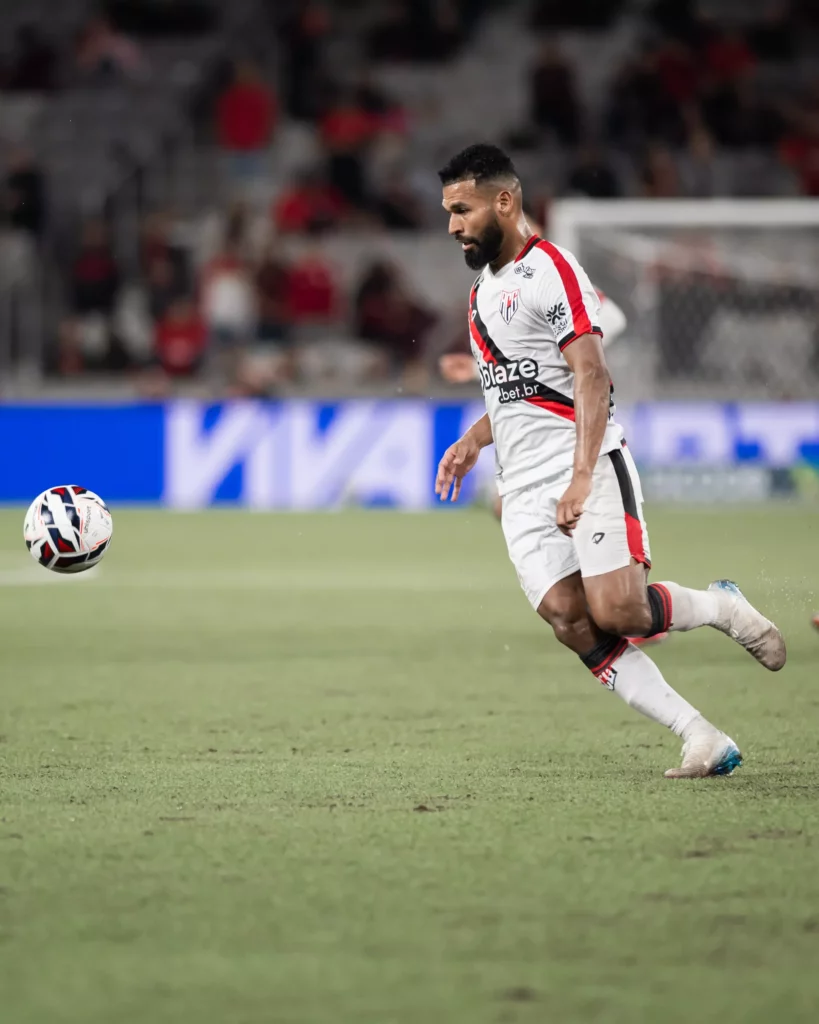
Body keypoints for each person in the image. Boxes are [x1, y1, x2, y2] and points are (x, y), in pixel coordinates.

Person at [434, 143, 786, 778]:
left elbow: (591, 376)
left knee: (620, 611)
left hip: (587, 467)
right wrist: (473, 442)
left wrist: (580, 476)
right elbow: (516, 394)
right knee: (572, 621)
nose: (453, 225)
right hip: (522, 490)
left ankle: (722, 607)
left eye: (462, 209)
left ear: (504, 202)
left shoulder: (553, 270)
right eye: (449, 211)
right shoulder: (481, 293)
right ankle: (699, 735)